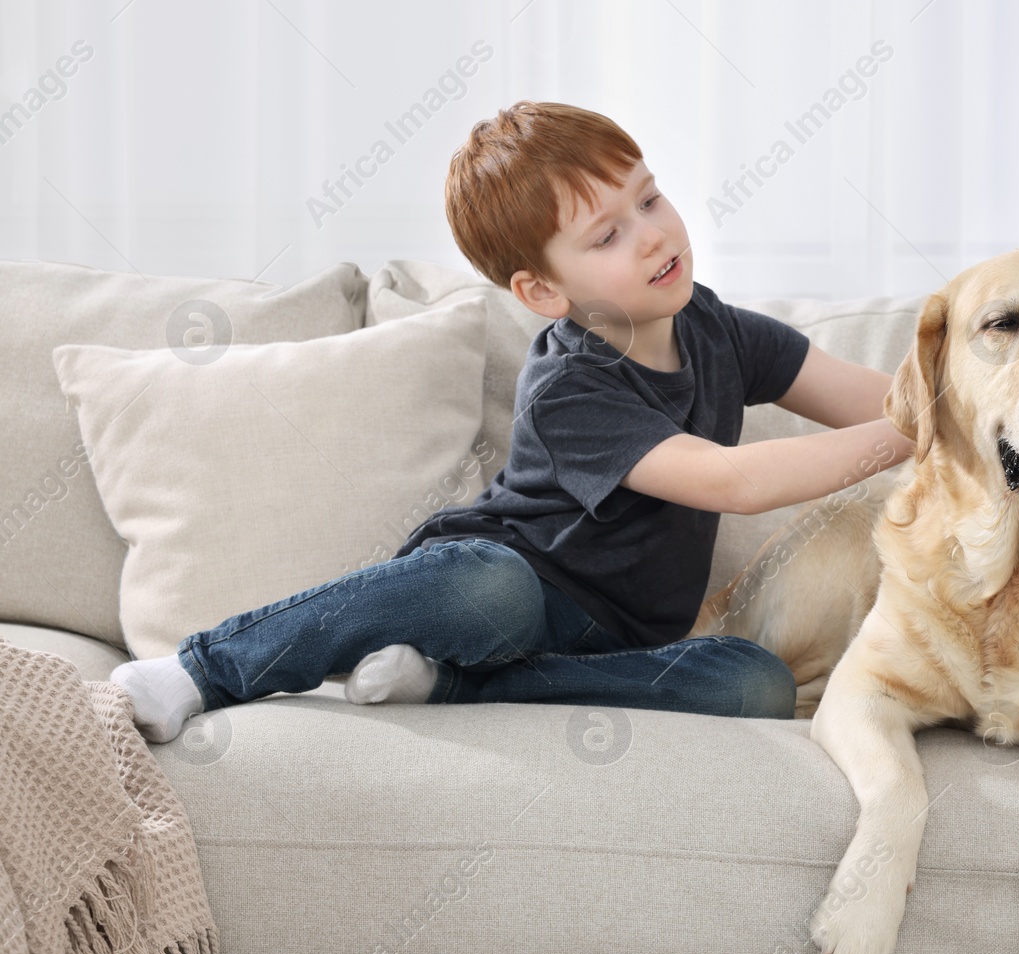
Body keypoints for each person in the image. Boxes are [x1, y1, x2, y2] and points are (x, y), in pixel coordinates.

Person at [112, 101, 915, 743]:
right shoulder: (568, 382)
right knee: (493, 588)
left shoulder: (718, 328)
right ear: (543, 292)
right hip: (509, 587)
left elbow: (881, 396)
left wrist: (960, 409)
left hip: (622, 641)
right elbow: (730, 481)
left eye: (648, 197)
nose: (653, 234)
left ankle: (452, 688)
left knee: (758, 681)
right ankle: (203, 668)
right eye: (607, 234)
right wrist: (918, 429)